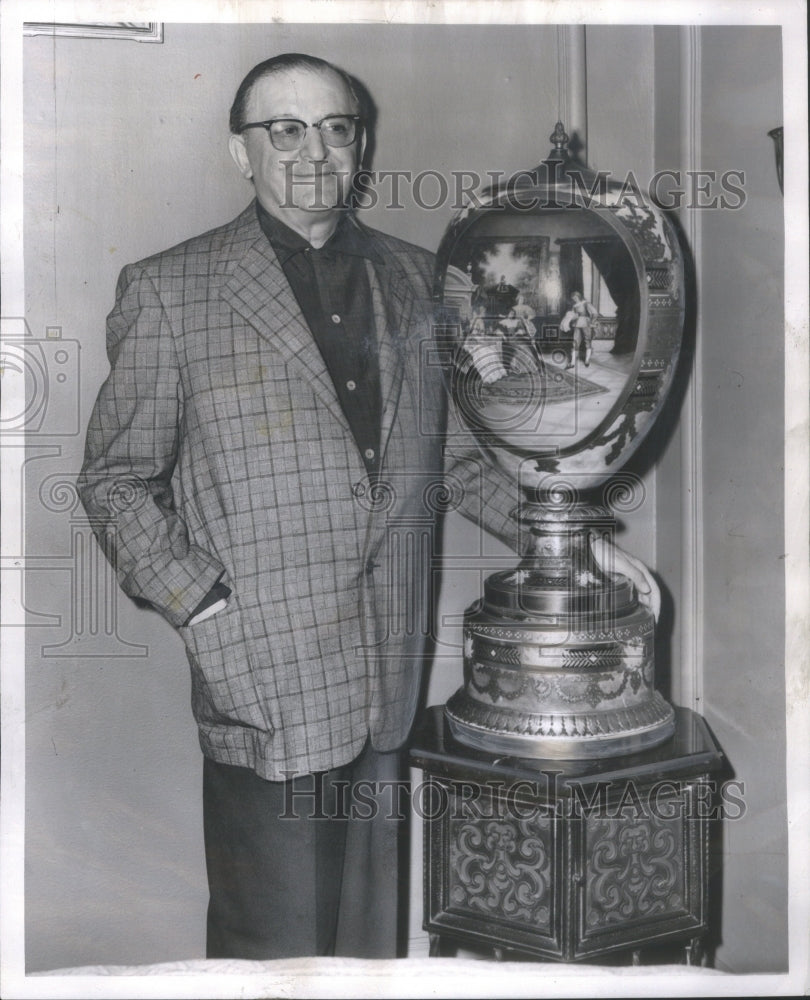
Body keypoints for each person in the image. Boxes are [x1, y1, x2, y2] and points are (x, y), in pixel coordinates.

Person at [77, 53, 660, 963]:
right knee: (273, 954)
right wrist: (201, 603)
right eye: (286, 130)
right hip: (263, 680)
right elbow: (114, 481)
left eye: (336, 128)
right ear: (242, 153)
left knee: (366, 953)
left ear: (362, 145)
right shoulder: (170, 290)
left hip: (387, 677)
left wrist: (573, 548)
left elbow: (459, 460)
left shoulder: (421, 278)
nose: (315, 151)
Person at [560, 290, 599, 368]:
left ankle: (587, 360)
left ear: (579, 297)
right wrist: (570, 318)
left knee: (587, 341)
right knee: (575, 342)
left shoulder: (586, 303)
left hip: (586, 323)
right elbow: (574, 315)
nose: (574, 299)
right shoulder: (574, 306)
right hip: (577, 324)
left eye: (575, 298)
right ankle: (572, 363)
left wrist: (592, 322)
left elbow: (595, 313)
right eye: (573, 298)